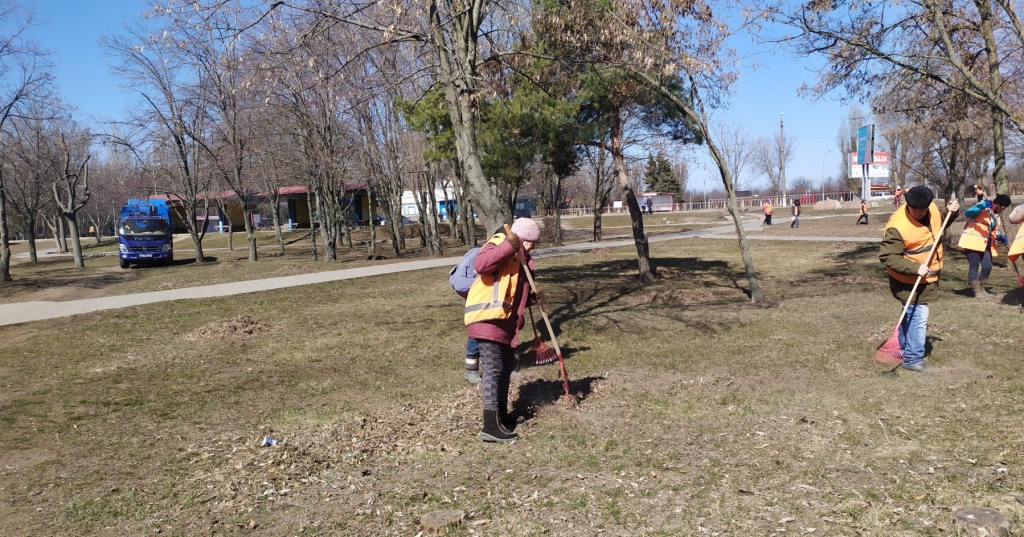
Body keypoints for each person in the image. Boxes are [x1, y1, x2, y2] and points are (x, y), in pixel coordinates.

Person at [464, 218, 544, 443]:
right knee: (493, 368)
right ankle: (490, 426)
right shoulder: (499, 243)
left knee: (505, 366)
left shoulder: (523, 259)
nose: (532, 246)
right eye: (529, 241)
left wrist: (531, 298)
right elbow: (482, 265)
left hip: (504, 322)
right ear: (520, 238)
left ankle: (501, 417)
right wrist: (509, 246)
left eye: (534, 243)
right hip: (486, 317)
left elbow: (512, 293)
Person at [879, 186, 960, 372]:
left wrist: (951, 212)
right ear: (907, 204)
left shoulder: (930, 209)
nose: (918, 213)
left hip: (926, 277)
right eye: (914, 209)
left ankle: (903, 346)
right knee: (919, 315)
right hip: (907, 278)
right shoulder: (897, 227)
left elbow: (938, 225)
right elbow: (888, 257)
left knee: (911, 313)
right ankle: (913, 359)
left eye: (922, 210)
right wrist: (915, 268)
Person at [958, 194, 1011, 298]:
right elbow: (968, 213)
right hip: (972, 241)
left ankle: (982, 289)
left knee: (987, 266)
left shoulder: (996, 215)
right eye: (1003, 207)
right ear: (1002, 206)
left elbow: (992, 230)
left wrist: (1001, 237)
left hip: (985, 243)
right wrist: (981, 206)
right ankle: (976, 291)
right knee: (974, 266)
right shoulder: (983, 207)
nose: (1003, 209)